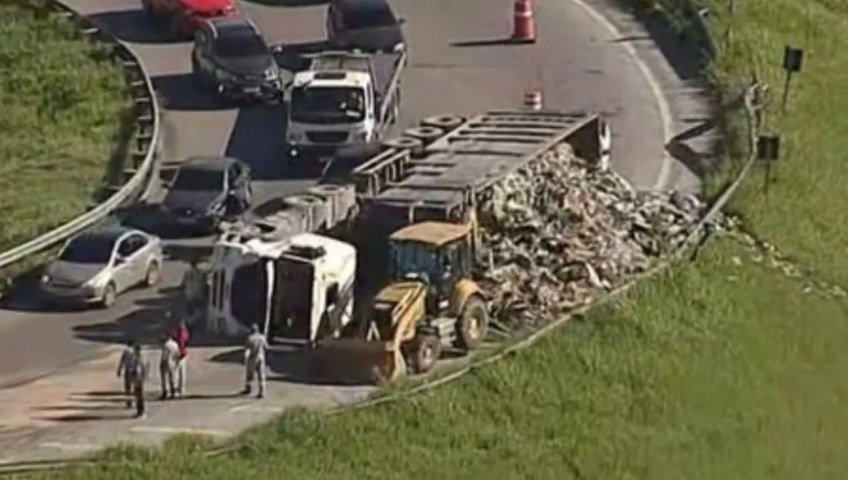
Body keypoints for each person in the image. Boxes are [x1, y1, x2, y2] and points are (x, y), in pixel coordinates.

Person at [242, 324, 269, 399]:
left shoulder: (250, 338)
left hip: (252, 358)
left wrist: (245, 359)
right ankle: (262, 391)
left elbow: (247, 350)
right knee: (261, 375)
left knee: (250, 375)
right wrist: (264, 339)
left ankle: (249, 389)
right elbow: (266, 347)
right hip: (261, 358)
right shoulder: (262, 337)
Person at [129, 343, 149, 418]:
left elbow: (137, 370)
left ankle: (141, 412)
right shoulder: (142, 358)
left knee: (139, 397)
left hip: (138, 379)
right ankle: (140, 412)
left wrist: (133, 376)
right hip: (140, 379)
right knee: (139, 396)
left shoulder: (138, 359)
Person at [171, 318, 190, 396]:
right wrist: (182, 352)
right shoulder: (182, 331)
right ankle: (180, 389)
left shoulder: (175, 330)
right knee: (180, 372)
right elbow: (182, 341)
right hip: (180, 351)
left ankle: (175, 389)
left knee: (175, 372)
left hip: (176, 350)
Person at [116, 340, 138, 408]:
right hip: (135, 370)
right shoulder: (135, 351)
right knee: (135, 386)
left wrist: (119, 370)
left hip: (128, 370)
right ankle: (135, 401)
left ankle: (129, 402)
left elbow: (122, 361)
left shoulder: (126, 351)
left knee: (128, 387)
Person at [159, 335, 180, 400]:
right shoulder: (175, 344)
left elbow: (164, 355)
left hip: (166, 362)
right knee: (173, 377)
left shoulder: (166, 345)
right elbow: (178, 354)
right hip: (173, 362)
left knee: (165, 378)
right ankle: (174, 392)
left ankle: (166, 392)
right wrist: (177, 361)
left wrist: (161, 363)